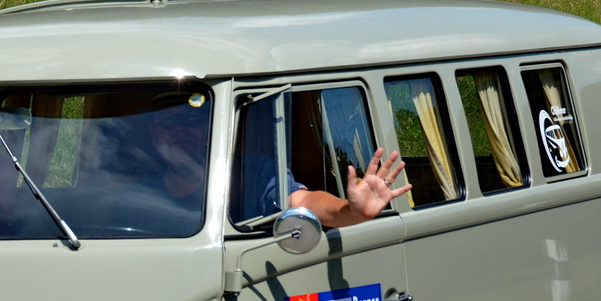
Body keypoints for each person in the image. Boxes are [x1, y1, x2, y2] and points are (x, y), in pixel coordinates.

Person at [143, 95, 413, 229]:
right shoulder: (140, 187)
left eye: (190, 122)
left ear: (209, 128)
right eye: (167, 122)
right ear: (154, 133)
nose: (178, 131)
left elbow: (302, 202)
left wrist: (351, 211)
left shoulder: (253, 173)